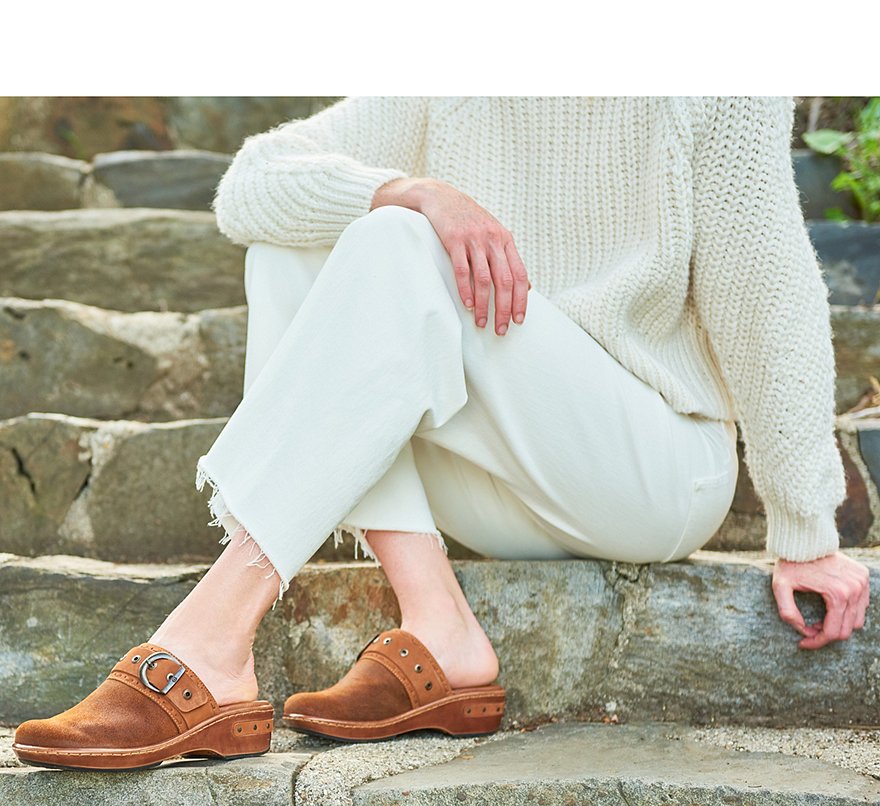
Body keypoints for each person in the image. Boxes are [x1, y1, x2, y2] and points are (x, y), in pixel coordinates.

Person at [13, 95, 870, 769]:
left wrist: (805, 529)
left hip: (652, 472)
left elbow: (767, 295)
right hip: (500, 482)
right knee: (298, 244)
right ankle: (438, 624)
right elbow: (253, 184)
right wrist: (415, 189)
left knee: (396, 243)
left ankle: (210, 639)